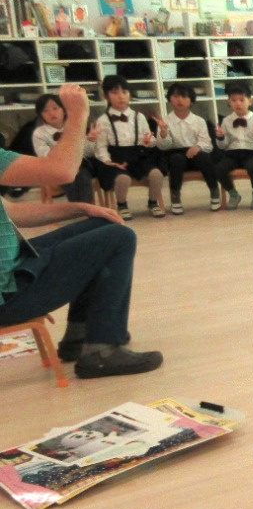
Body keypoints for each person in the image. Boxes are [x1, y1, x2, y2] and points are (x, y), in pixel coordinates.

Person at [0, 83, 162, 377]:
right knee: (119, 237)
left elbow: (9, 211)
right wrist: (77, 113)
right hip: (9, 294)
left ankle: (80, 334)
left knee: (100, 225)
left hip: (13, 273)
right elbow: (62, 171)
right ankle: (101, 350)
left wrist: (81, 208)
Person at [89, 75, 160, 220]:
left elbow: (150, 139)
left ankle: (153, 202)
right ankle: (122, 205)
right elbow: (101, 146)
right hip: (115, 157)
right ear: (106, 96)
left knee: (156, 174)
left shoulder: (139, 116)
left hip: (138, 154)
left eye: (124, 92)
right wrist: (107, 161)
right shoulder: (103, 120)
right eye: (115, 93)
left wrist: (149, 141)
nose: (121, 96)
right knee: (123, 179)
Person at [155, 82, 224, 215]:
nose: (179, 100)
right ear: (169, 99)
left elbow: (208, 144)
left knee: (204, 157)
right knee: (176, 159)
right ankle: (175, 197)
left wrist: (198, 147)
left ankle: (214, 191)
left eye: (184, 96)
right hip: (175, 153)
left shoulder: (199, 121)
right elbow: (163, 146)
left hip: (195, 153)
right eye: (175, 96)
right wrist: (163, 133)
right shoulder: (165, 121)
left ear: (191, 101)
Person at [214, 81, 253, 210]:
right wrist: (221, 137)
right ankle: (233, 194)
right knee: (219, 168)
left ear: (250, 101)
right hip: (232, 154)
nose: (238, 103)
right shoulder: (226, 121)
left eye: (241, 100)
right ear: (229, 102)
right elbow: (222, 146)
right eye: (234, 100)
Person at [32, 93, 93, 205]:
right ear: (40, 115)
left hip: (79, 164)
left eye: (55, 108)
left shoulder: (74, 127)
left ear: (64, 110)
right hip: (55, 166)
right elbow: (44, 155)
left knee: (83, 176)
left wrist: (91, 140)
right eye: (45, 110)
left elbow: (87, 153)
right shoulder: (39, 133)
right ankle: (78, 207)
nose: (51, 113)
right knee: (69, 176)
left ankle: (86, 208)